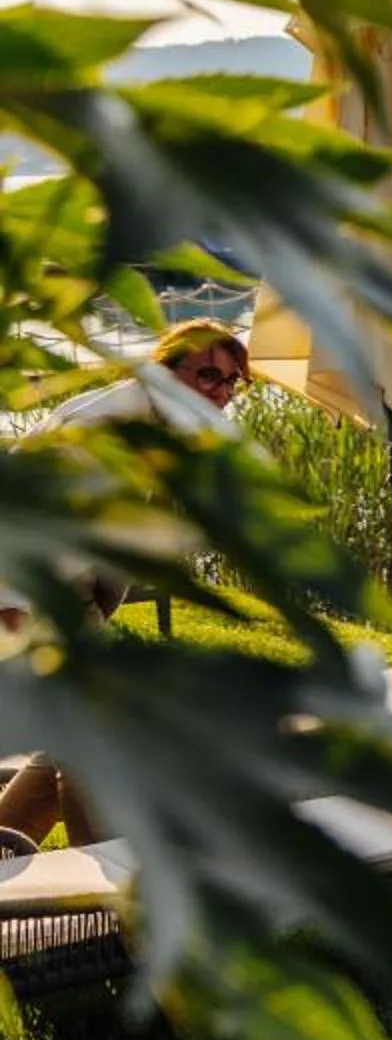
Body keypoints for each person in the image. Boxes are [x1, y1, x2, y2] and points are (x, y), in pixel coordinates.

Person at [0, 321, 253, 847]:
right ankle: (113, 905)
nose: (222, 392)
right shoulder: (104, 430)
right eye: (207, 375)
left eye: (232, 382)